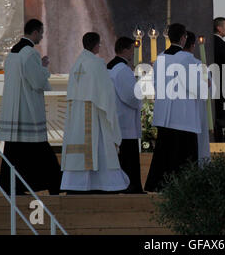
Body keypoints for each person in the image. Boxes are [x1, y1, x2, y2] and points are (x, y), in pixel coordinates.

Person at [0, 19, 62, 195]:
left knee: (14, 152)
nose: (41, 37)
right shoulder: (30, 53)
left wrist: (38, 67)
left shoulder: (12, 54)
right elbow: (37, 81)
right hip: (27, 110)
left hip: (14, 110)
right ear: (35, 32)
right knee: (40, 149)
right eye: (41, 33)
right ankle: (55, 184)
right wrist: (44, 68)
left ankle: (12, 186)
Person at [60, 32, 129, 194]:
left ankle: (76, 184)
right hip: (94, 113)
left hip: (76, 115)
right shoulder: (97, 63)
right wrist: (112, 121)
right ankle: (104, 184)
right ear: (96, 45)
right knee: (100, 147)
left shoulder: (76, 64)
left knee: (83, 149)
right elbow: (106, 94)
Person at [144, 23, 202, 192]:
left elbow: (155, 84)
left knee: (165, 152)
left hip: (165, 114)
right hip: (183, 115)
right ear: (183, 38)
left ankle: (160, 185)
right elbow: (197, 88)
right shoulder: (188, 59)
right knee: (184, 154)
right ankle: (186, 187)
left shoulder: (160, 58)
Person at [107, 37, 145, 194]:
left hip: (116, 116)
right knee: (129, 156)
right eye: (131, 49)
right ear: (124, 50)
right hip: (125, 119)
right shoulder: (122, 69)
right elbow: (131, 96)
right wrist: (140, 99)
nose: (133, 52)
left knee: (122, 156)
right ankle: (132, 186)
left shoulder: (110, 67)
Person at [183, 31, 211, 165]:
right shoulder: (200, 65)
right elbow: (208, 87)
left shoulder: (171, 64)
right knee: (200, 144)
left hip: (181, 111)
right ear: (193, 46)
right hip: (197, 109)